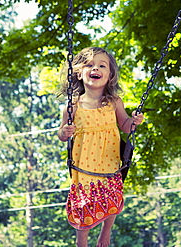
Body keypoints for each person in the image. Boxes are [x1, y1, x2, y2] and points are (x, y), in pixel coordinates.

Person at [57, 47, 144, 247]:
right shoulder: (73, 106)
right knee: (83, 203)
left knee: (112, 197)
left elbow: (125, 125)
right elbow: (61, 134)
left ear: (110, 75)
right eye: (89, 65)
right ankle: (82, 240)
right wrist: (65, 132)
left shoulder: (114, 102)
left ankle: (106, 233)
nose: (95, 68)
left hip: (109, 162)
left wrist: (135, 121)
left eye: (101, 65)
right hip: (84, 165)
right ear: (79, 72)